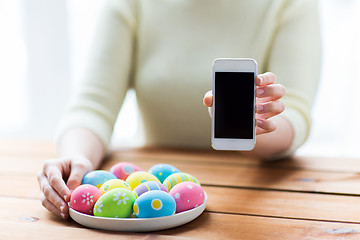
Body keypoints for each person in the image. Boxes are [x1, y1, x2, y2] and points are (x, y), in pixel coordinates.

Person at [37, 0, 321, 219]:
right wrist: (77, 157)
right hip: (153, 207)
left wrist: (249, 127)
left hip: (259, 200)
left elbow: (294, 115)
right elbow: (93, 106)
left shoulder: (289, 4)